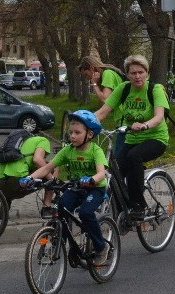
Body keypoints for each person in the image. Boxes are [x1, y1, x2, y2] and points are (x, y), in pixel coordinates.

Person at [21, 110, 110, 266]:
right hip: (75, 187)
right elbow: (48, 167)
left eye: (77, 132)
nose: (72, 136)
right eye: (71, 132)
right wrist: (30, 178)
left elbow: (101, 173)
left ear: (89, 134)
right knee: (61, 208)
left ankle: (101, 247)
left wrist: (91, 179)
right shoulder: (68, 150)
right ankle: (61, 243)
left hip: (94, 189)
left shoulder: (96, 151)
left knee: (86, 213)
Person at [94, 54, 169, 220]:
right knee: (114, 172)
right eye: (133, 73)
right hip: (131, 138)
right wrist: (83, 123)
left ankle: (138, 205)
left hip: (155, 138)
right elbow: (102, 112)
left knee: (134, 156)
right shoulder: (124, 89)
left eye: (141, 72)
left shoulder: (154, 89)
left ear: (147, 74)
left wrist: (144, 125)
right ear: (127, 75)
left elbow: (159, 117)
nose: (137, 76)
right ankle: (122, 209)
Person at [0, 132, 54, 216]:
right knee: (51, 168)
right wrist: (52, 180)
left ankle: (5, 206)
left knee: (13, 174)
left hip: (0, 184)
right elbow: (37, 160)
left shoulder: (17, 144)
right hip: (19, 183)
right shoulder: (43, 140)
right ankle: (46, 209)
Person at [80, 55, 127, 155]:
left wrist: (94, 84)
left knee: (119, 158)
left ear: (92, 68)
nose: (87, 78)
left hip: (125, 119)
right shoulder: (107, 73)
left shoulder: (108, 74)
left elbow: (105, 99)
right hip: (122, 119)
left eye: (86, 74)